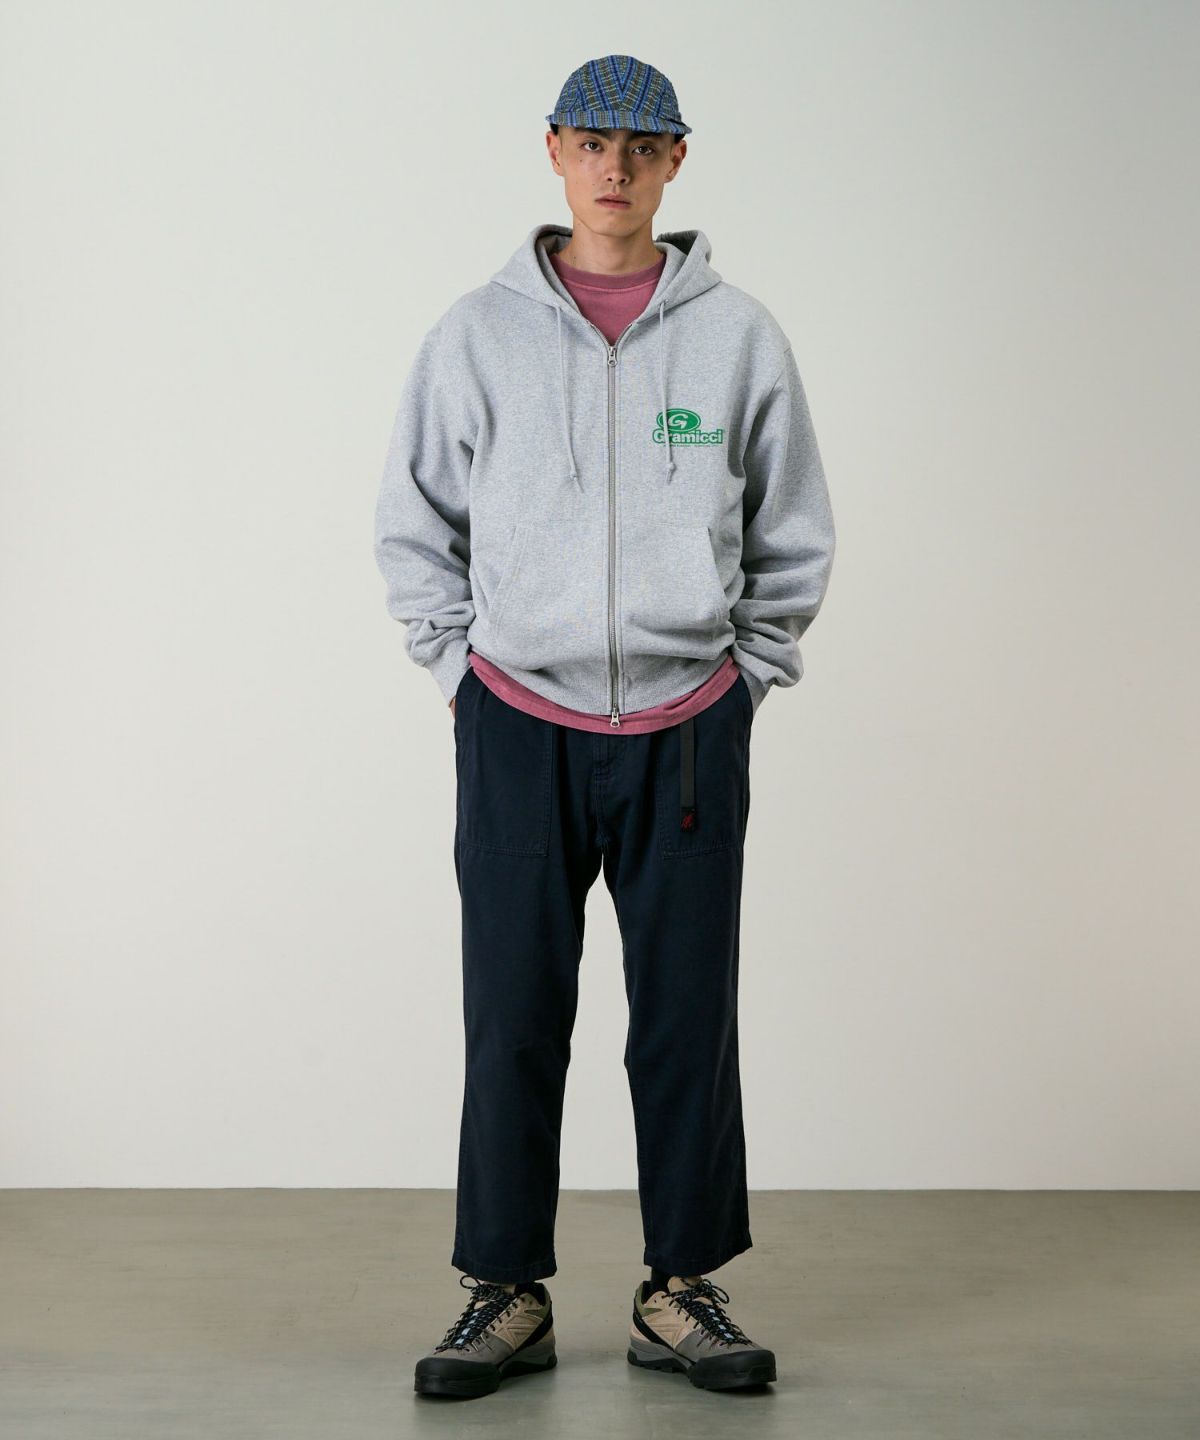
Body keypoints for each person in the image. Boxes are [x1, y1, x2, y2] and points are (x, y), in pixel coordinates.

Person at [373, 53, 836, 1400]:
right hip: (517, 721)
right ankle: (503, 1290)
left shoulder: (738, 336)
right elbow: (414, 520)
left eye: (639, 146)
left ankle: (681, 1287)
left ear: (676, 160)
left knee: (686, 1023)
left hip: (689, 728)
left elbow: (792, 526)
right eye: (591, 142)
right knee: (513, 1017)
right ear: (555, 152)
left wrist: (748, 675)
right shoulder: (478, 333)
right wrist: (459, 672)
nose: (614, 168)